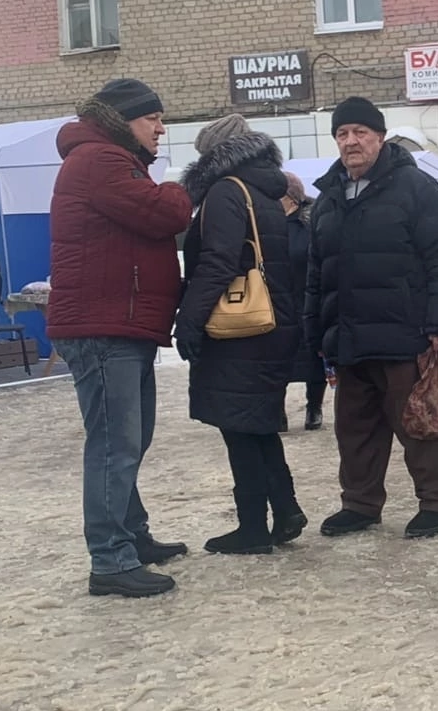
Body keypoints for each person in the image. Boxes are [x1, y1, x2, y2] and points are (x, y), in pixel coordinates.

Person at [46, 77, 194, 598]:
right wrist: (184, 184)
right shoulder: (99, 161)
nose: (160, 127)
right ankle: (110, 559)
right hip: (103, 326)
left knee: (129, 440)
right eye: (151, 117)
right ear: (122, 119)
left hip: (118, 325)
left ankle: (132, 536)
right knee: (115, 445)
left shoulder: (108, 160)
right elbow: (167, 214)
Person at [305, 97, 438, 540]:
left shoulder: (414, 188)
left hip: (404, 331)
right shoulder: (329, 198)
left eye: (360, 132)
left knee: (416, 422)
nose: (351, 141)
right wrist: (316, 330)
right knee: (354, 430)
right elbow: (317, 272)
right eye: (342, 134)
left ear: (379, 138)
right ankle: (359, 504)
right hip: (349, 336)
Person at [173, 116, 304, 556]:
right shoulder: (265, 189)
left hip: (239, 329)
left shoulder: (227, 190)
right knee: (257, 424)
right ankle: (285, 510)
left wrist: (188, 321)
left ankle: (252, 526)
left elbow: (217, 263)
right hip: (271, 321)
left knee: (238, 426)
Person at [282, 173, 329, 431]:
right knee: (278, 359)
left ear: (289, 197)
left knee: (313, 358)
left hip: (308, 298)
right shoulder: (267, 224)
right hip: (278, 301)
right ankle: (277, 409)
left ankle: (314, 407)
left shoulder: (311, 224)